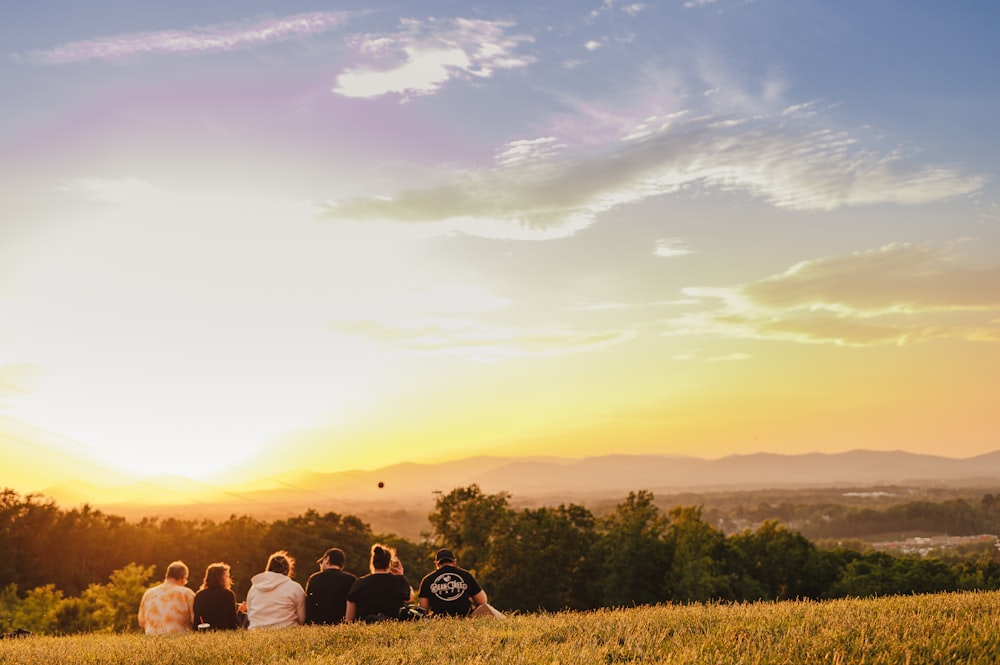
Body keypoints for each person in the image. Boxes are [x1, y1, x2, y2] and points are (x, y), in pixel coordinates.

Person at [345, 544, 413, 623]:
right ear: (389, 564)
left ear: (372, 562)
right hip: (392, 627)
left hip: (365, 628)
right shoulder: (399, 581)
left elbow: (349, 618)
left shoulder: (359, 583)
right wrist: (401, 576)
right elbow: (410, 598)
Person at [418, 548, 494, 618]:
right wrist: (470, 599)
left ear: (437, 564)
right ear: (454, 562)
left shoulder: (427, 580)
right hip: (465, 617)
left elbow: (423, 609)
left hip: (439, 619)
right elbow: (483, 601)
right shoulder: (466, 575)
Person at [245, 550, 306, 629]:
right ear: (288, 570)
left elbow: (250, 615)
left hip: (256, 633)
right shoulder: (295, 588)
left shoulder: (254, 588)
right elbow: (302, 619)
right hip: (287, 632)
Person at [137, 560, 196, 635]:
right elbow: (195, 620)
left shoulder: (149, 593)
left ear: (167, 576)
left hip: (152, 641)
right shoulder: (186, 593)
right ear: (183, 578)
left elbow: (141, 622)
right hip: (180, 642)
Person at [305, 547, 357, 625]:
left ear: (327, 559)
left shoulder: (314, 579)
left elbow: (308, 605)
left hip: (319, 625)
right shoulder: (351, 580)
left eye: (321, 562)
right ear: (342, 565)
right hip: (343, 625)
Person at [193, 562, 240, 630]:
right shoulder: (227, 594)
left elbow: (196, 621)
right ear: (220, 578)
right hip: (225, 634)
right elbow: (233, 621)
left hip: (205, 634)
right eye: (227, 576)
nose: (229, 579)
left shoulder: (199, 596)